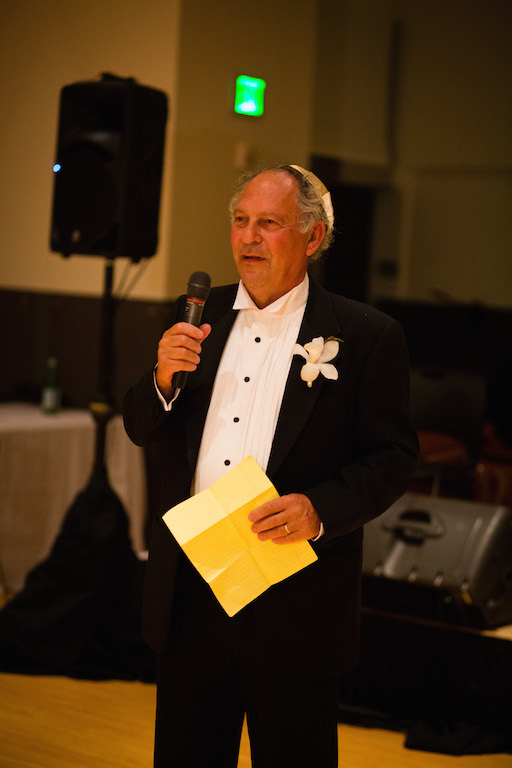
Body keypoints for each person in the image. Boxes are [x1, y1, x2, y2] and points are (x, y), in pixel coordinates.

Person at [123, 164, 418, 768]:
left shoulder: (366, 334)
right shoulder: (196, 315)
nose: (249, 238)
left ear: (313, 237)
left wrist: (320, 510)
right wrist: (161, 379)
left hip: (295, 598)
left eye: (269, 223)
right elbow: (140, 426)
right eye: (240, 221)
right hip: (191, 590)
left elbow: (391, 458)